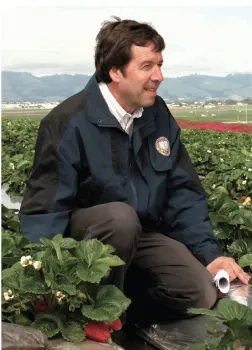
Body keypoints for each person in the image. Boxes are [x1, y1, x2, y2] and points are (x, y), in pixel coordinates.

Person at [20, 17, 250, 328]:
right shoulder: (67, 122)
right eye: (147, 66)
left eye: (160, 64)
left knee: (198, 292)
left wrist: (210, 255)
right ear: (115, 71)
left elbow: (183, 192)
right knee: (120, 218)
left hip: (144, 237)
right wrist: (48, 283)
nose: (159, 75)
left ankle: (122, 309)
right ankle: (95, 316)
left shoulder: (157, 115)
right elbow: (46, 210)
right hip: (87, 247)